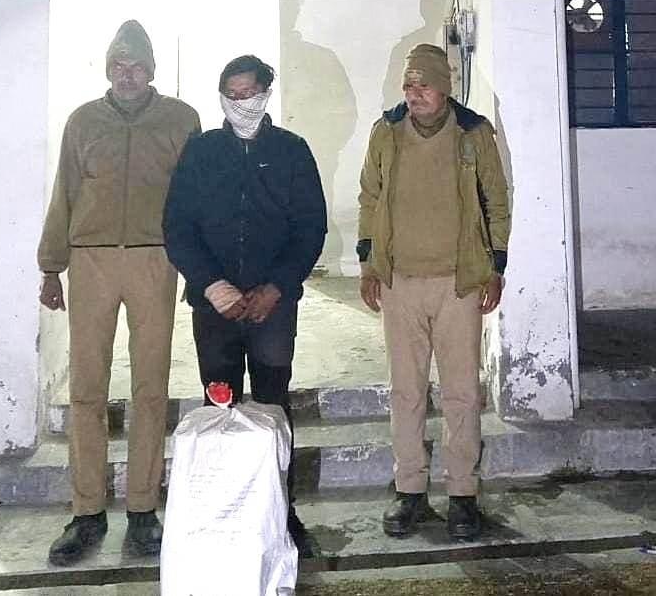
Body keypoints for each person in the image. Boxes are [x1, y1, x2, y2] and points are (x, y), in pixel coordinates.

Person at [37, 20, 200, 566]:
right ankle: (87, 512)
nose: (126, 75)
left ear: (151, 71)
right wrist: (51, 267)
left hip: (156, 259)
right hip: (91, 261)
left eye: (136, 67)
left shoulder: (181, 120)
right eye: (118, 66)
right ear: (107, 69)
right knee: (87, 388)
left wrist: (198, 266)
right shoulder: (83, 121)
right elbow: (64, 191)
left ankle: (142, 510)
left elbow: (194, 197)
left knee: (150, 387)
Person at [163, 55, 327, 557]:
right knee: (220, 403)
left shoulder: (292, 151)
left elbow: (310, 229)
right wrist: (212, 285)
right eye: (231, 96)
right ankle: (225, 509)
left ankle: (281, 510)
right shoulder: (201, 152)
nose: (240, 104)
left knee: (273, 404)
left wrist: (275, 287)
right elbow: (177, 226)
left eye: (249, 94)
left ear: (266, 94)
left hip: (272, 307)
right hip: (215, 307)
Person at [357, 44, 511, 541]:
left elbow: (496, 200)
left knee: (461, 390)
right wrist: (369, 265)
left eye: (423, 84)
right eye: (409, 84)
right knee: (406, 390)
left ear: (444, 86)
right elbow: (369, 197)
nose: (414, 93)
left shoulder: (473, 133)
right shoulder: (386, 132)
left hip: (458, 284)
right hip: (399, 282)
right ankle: (409, 491)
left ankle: (462, 494)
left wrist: (495, 267)